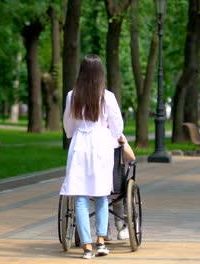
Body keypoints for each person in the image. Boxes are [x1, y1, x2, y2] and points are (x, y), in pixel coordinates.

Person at [60, 54, 124, 259]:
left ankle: (86, 246)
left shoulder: (72, 96)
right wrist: (113, 139)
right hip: (101, 145)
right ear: (100, 74)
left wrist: (74, 133)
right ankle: (102, 241)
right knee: (101, 194)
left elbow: (68, 125)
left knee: (80, 196)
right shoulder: (107, 96)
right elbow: (117, 126)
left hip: (80, 144)